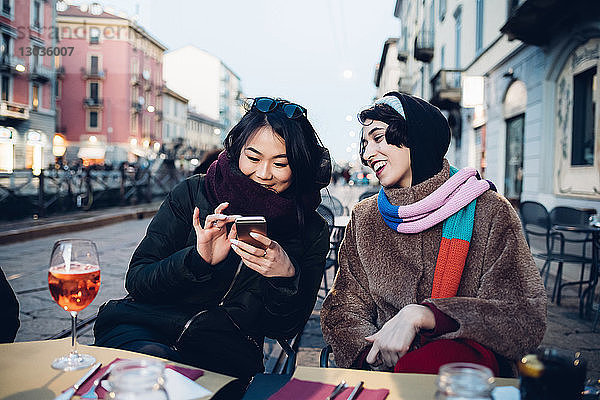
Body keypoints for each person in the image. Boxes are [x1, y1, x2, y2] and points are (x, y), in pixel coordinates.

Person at [95, 97, 331, 379]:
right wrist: (198, 260)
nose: (264, 174)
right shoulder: (194, 192)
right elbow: (137, 280)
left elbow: (284, 328)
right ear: (237, 151)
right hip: (143, 328)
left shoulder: (311, 229)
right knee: (160, 373)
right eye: (253, 158)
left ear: (300, 164)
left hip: (224, 354)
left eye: (280, 163)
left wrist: (284, 276)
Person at [320, 92, 547, 377]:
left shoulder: (489, 210)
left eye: (378, 138)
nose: (367, 154)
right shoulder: (365, 217)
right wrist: (372, 353)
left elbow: (523, 317)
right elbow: (343, 305)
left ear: (416, 136)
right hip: (383, 375)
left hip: (465, 381)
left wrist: (428, 315)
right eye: (364, 144)